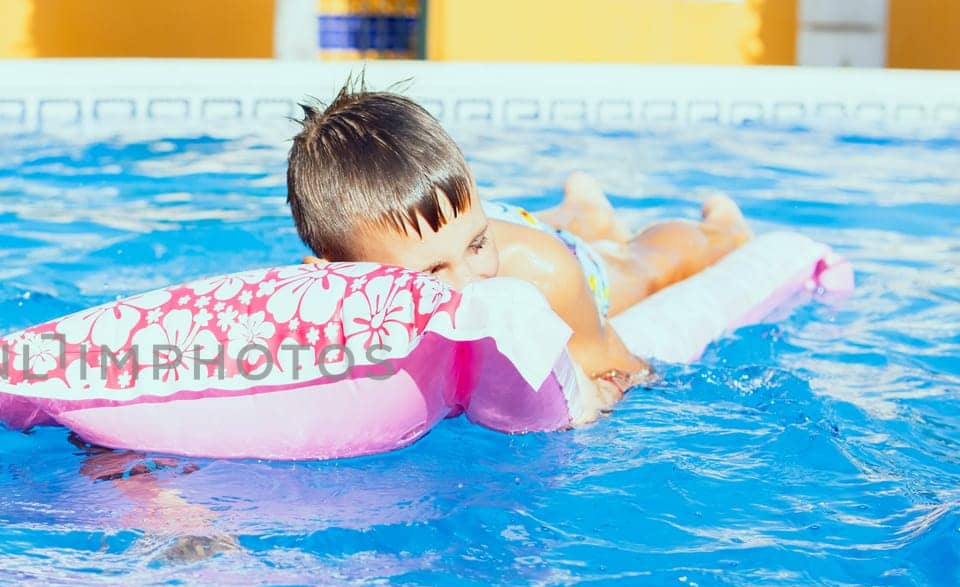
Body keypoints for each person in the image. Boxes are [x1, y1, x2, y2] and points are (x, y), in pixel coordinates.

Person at [286, 84, 750, 417]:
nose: (469, 286)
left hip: (531, 252)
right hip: (469, 227)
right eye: (430, 275)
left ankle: (722, 227)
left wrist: (598, 394)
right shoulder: (324, 298)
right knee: (500, 239)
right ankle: (585, 209)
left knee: (640, 267)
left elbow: (629, 371)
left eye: (475, 246)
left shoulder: (543, 274)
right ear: (335, 275)